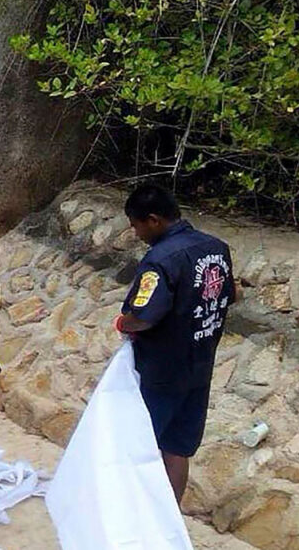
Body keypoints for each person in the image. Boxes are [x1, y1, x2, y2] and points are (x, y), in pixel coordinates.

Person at [115, 184, 236, 506]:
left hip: (161, 372)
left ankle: (134, 520)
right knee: (177, 448)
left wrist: (122, 322)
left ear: (153, 220)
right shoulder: (216, 249)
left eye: (136, 225)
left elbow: (144, 315)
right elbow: (230, 296)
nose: (136, 232)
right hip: (200, 367)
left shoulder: (162, 260)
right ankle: (169, 523)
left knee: (138, 445)